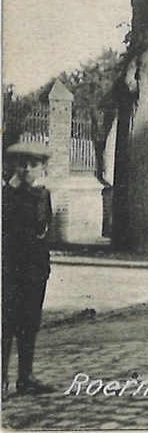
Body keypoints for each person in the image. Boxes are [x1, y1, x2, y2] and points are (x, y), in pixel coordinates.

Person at [3, 142, 56, 395]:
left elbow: (42, 230)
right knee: (5, 324)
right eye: (21, 164)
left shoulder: (43, 195)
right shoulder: (5, 196)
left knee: (30, 323)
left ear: (42, 167)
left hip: (35, 271)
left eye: (32, 164)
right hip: (8, 270)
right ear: (12, 166)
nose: (26, 169)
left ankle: (26, 377)